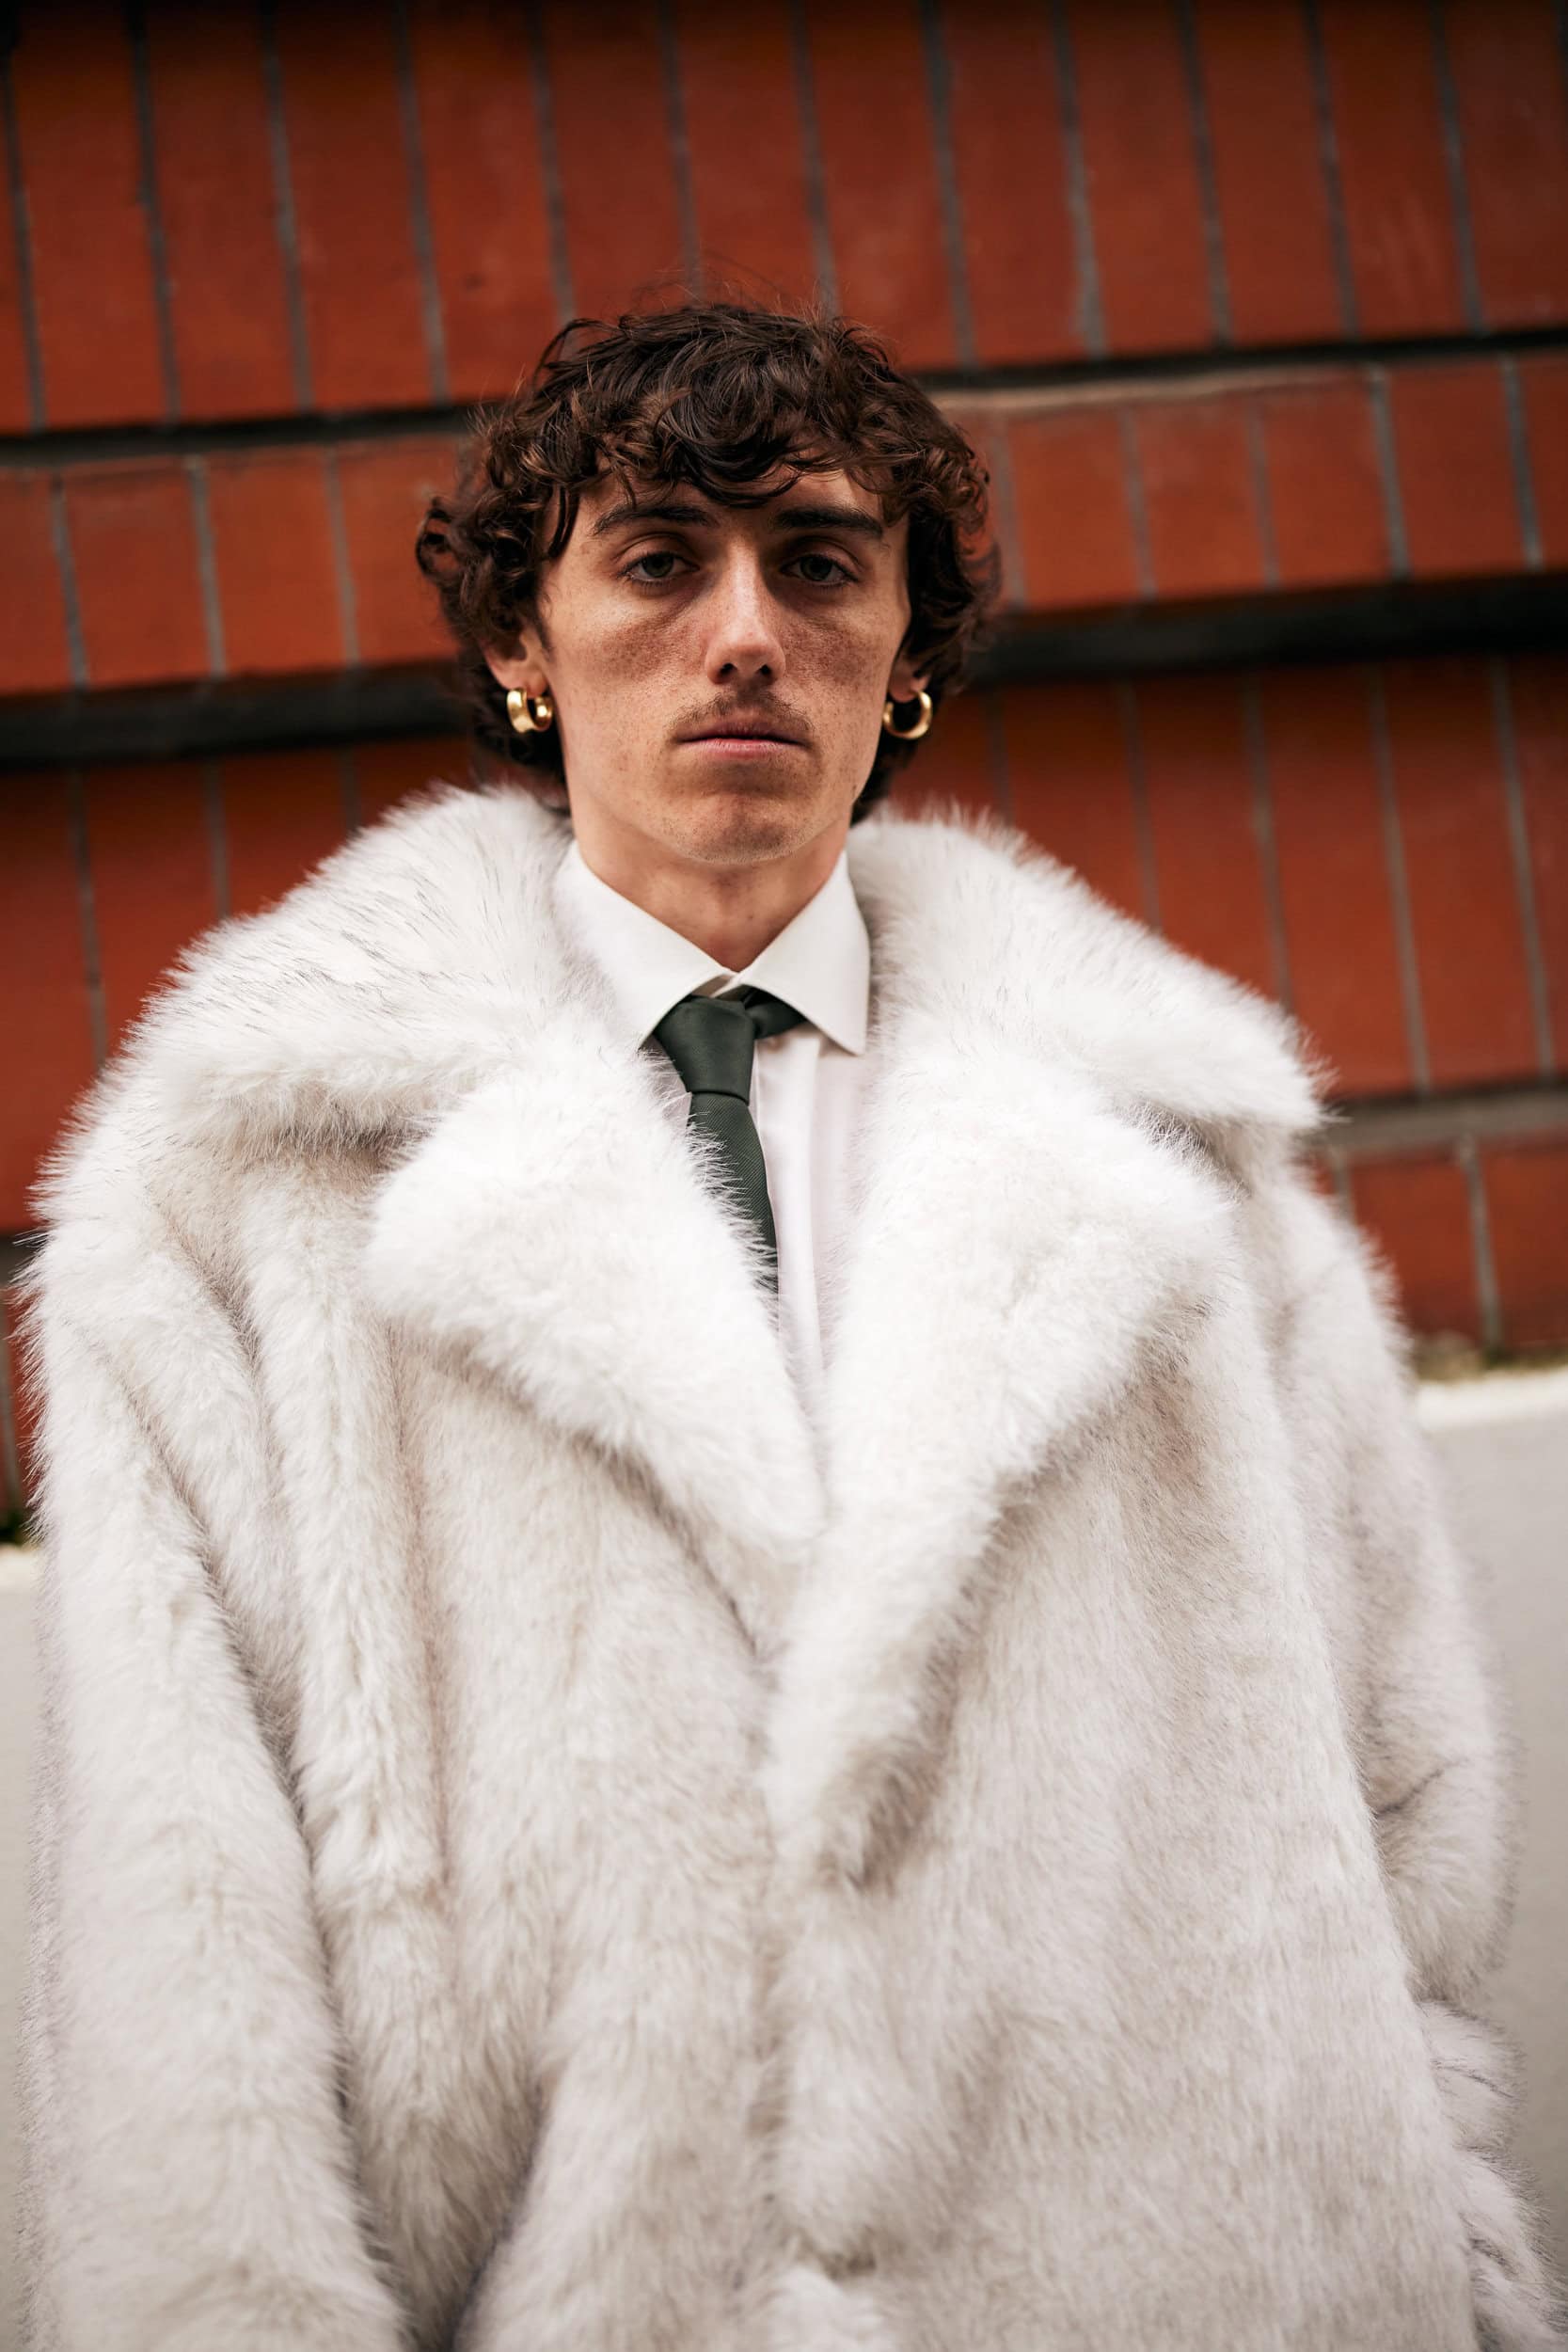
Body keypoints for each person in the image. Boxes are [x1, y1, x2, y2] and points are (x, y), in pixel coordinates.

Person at [14, 299, 1562, 2352]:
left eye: (819, 565)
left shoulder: (1179, 1177)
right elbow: (173, 1966)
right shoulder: (236, 1201)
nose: (744, 632)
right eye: (660, 560)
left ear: (905, 658)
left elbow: (1410, 1834)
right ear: (524, 642)